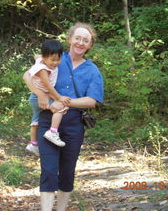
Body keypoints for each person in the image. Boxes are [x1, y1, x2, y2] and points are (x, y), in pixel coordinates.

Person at [23, 22, 104, 211]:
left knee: (67, 172)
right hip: (47, 120)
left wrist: (64, 102)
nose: (81, 43)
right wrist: (42, 95)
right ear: (70, 39)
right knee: (49, 170)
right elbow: (27, 76)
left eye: (86, 40)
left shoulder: (92, 70)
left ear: (90, 45)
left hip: (74, 125)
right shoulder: (54, 57)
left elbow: (92, 100)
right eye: (78, 38)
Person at [25, 40, 71, 156]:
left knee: (36, 120)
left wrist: (39, 56)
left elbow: (37, 56)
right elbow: (48, 86)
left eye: (58, 59)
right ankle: (53, 131)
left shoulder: (41, 60)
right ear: (45, 58)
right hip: (39, 96)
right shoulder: (43, 70)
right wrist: (58, 97)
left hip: (34, 97)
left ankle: (33, 144)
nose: (55, 63)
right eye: (52, 60)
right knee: (60, 108)